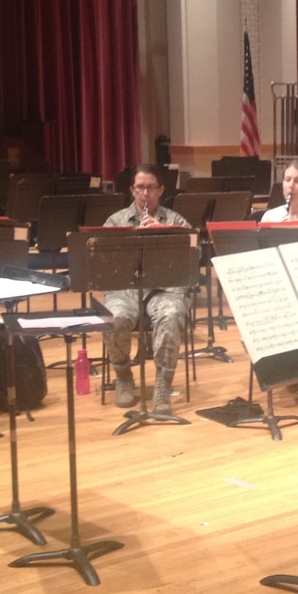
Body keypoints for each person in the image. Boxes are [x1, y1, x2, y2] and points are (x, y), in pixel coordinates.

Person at [102, 165, 193, 413]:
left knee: (171, 315)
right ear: (132, 190)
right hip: (125, 289)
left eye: (151, 187)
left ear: (161, 190)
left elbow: (192, 250)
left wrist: (163, 232)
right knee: (115, 318)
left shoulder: (175, 220)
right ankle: (123, 376)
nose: (145, 193)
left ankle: (163, 384)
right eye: (140, 187)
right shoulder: (115, 221)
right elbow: (104, 263)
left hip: (164, 289)